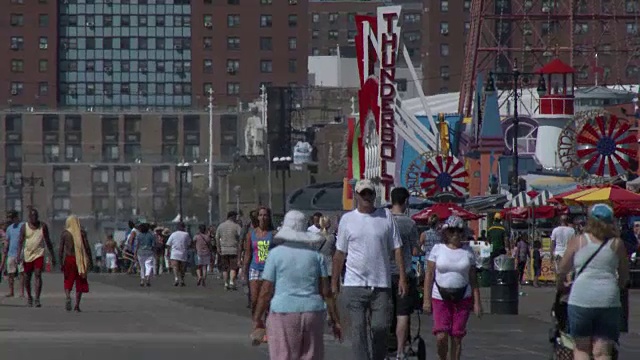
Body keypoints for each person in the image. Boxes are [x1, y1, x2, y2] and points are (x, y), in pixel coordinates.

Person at [332, 179, 407, 360]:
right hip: (354, 284)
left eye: (370, 193)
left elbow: (397, 248)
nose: (367, 197)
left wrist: (403, 277)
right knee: (358, 333)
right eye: (363, 193)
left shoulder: (386, 216)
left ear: (375, 195)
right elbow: (340, 253)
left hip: (381, 284)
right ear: (357, 195)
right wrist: (334, 282)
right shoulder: (347, 220)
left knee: (380, 328)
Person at [253, 210, 342, 359]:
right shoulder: (316, 256)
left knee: (284, 355)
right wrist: (335, 320)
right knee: (311, 355)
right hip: (312, 311)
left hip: (283, 311)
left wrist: (257, 318)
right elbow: (326, 292)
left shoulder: (275, 255)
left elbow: (266, 291)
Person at [557, 204, 629, 360]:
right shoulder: (617, 244)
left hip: (581, 298)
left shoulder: (579, 241)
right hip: (608, 300)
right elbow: (624, 276)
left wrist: (561, 284)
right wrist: (618, 287)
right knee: (602, 352)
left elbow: (562, 269)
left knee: (581, 348)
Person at [423, 215, 482, 360]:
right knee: (441, 336)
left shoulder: (468, 252)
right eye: (452, 230)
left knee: (457, 336)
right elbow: (429, 275)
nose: (456, 234)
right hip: (440, 297)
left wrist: (477, 302)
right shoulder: (437, 249)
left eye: (459, 231)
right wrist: (426, 300)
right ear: (446, 232)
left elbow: (474, 280)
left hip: (463, 297)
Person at [389, 187, 420, 360]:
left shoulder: (384, 221)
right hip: (404, 274)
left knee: (385, 312)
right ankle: (400, 351)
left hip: (384, 274)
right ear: (406, 202)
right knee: (403, 313)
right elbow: (415, 250)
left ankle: (385, 346)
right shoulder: (409, 223)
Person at [18, 208, 56, 308]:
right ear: (29, 217)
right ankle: (29, 297)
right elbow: (20, 242)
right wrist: (18, 255)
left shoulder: (43, 226)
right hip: (27, 255)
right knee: (27, 277)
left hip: (39, 254)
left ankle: (37, 299)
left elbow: (48, 241)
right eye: (32, 216)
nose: (34, 218)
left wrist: (52, 255)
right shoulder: (24, 227)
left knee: (38, 274)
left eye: (36, 216)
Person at [243, 206, 276, 316]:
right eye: (261, 215)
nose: (263, 218)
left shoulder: (273, 234)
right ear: (257, 217)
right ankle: (256, 321)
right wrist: (244, 272)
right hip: (255, 268)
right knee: (254, 298)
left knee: (267, 299)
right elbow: (248, 254)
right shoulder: (251, 234)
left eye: (265, 215)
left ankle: (268, 322)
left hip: (269, 270)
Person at [58, 215, 92, 312]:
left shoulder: (65, 233)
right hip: (80, 260)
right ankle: (77, 305)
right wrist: (90, 260)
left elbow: (61, 250)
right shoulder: (81, 233)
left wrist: (60, 262)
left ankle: (68, 296)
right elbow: (87, 247)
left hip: (69, 259)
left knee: (68, 280)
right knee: (80, 281)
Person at [0, 211, 25, 297]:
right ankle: (11, 291)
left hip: (21, 252)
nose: (11, 220)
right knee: (10, 273)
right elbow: (7, 241)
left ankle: (22, 292)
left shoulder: (23, 226)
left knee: (22, 272)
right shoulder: (9, 228)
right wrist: (5, 251)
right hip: (11, 253)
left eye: (12, 218)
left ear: (16, 217)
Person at [216, 211, 242, 290]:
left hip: (223, 250)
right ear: (232, 217)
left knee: (225, 268)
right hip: (234, 249)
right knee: (233, 268)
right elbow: (241, 237)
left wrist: (218, 247)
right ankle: (231, 281)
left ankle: (226, 283)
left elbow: (217, 237)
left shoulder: (220, 226)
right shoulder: (236, 226)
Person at [166, 222, 192, 287]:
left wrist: (168, 252)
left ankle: (176, 278)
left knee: (175, 267)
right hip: (183, 252)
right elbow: (189, 244)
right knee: (182, 268)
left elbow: (168, 244)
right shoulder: (186, 234)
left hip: (174, 253)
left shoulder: (173, 234)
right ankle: (182, 280)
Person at [135, 223, 156, 287]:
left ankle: (142, 280)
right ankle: (147, 278)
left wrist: (135, 253)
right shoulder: (151, 235)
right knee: (148, 266)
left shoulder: (139, 235)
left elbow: (137, 245)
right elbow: (153, 245)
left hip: (140, 252)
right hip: (149, 252)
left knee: (142, 267)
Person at [317, 216, 336, 282]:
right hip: (329, 265)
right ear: (329, 225)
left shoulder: (316, 236)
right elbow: (334, 251)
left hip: (318, 265)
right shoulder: (332, 237)